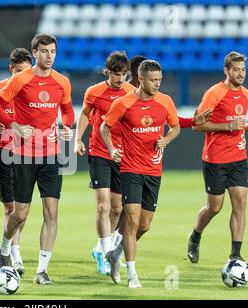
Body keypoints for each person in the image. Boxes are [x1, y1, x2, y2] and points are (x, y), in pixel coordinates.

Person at [0, 33, 75, 285]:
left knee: (52, 212)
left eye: (53, 52)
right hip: (23, 155)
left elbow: (68, 111)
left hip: (51, 155)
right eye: (45, 51)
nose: (49, 56)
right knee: (20, 214)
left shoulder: (62, 82)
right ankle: (5, 250)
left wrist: (67, 127)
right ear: (35, 52)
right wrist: (14, 125)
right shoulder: (21, 79)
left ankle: (42, 270)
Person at [101, 60, 180, 288]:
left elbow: (174, 127)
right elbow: (104, 127)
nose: (157, 84)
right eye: (153, 80)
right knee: (132, 220)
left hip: (154, 169)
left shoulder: (165, 102)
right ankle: (132, 275)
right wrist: (112, 149)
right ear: (141, 78)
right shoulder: (123, 103)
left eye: (160, 80)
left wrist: (166, 139)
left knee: (144, 225)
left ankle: (116, 253)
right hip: (131, 168)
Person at [74, 51, 134, 275]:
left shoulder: (131, 93)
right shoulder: (95, 92)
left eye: (124, 75)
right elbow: (84, 114)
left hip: (123, 155)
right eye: (116, 74)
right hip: (99, 151)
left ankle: (100, 248)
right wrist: (78, 139)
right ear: (108, 72)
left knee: (118, 208)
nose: (120, 79)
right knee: (103, 205)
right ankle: (107, 255)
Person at [187, 51, 248, 264]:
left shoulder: (246, 95)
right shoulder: (214, 93)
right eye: (236, 70)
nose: (241, 74)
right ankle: (195, 234)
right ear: (226, 70)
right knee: (215, 207)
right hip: (215, 159)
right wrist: (226, 126)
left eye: (243, 70)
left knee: (240, 203)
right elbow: (196, 125)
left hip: (239, 158)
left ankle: (235, 255)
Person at [0, 48, 33, 276]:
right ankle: (13, 253)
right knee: (10, 207)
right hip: (4, 153)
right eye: (19, 71)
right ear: (11, 68)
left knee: (23, 211)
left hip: (29, 155)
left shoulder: (32, 90)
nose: (23, 75)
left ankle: (11, 249)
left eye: (26, 71)